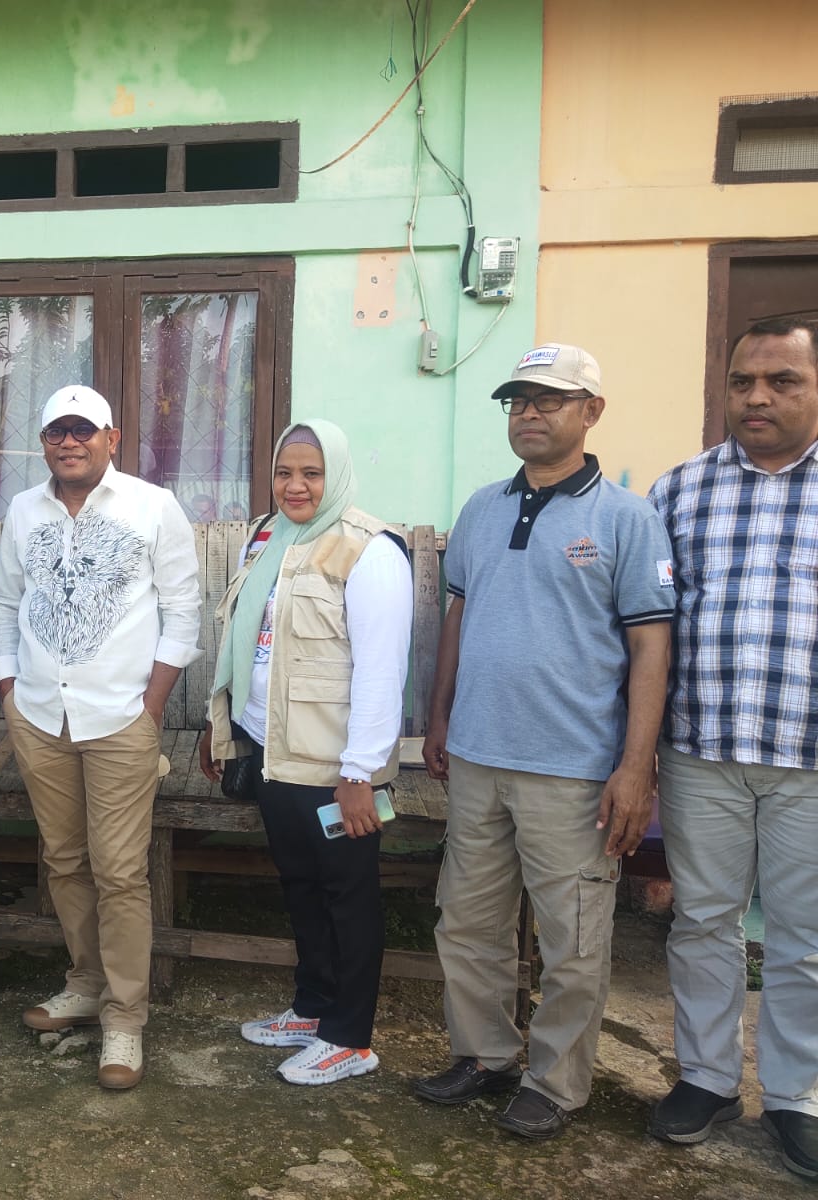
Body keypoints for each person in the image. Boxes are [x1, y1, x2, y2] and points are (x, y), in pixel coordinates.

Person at [413, 344, 675, 1140]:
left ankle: (556, 1084)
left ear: (591, 412)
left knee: (572, 938)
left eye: (549, 399)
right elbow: (460, 614)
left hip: (572, 768)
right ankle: (484, 1054)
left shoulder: (627, 519)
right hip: (480, 757)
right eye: (518, 400)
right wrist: (440, 715)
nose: (529, 412)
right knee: (468, 921)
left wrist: (636, 767)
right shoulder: (484, 508)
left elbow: (651, 648)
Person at [0, 384, 200, 1089]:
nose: (69, 442)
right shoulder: (23, 509)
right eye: (56, 431)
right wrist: (10, 686)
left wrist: (152, 705)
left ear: (112, 436)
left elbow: (182, 611)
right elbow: (7, 600)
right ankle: (84, 985)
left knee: (119, 870)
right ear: (43, 441)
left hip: (119, 719)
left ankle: (125, 1019)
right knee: (66, 859)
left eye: (83, 430)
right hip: (42, 715)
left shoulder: (150, 506)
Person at [645, 315, 818, 1182]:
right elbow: (644, 627)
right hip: (702, 748)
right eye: (744, 380)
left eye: (782, 380)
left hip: (809, 758)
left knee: (805, 938)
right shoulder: (680, 493)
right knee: (703, 921)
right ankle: (708, 1078)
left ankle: (797, 1096)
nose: (757, 396)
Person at [200, 420, 412, 1085]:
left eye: (311, 474)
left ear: (336, 475)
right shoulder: (266, 539)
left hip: (335, 767)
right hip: (272, 751)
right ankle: (313, 1008)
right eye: (285, 472)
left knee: (347, 894)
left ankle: (350, 1037)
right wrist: (225, 730)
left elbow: (381, 671)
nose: (295, 486)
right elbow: (243, 643)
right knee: (300, 885)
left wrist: (358, 774)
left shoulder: (368, 550)